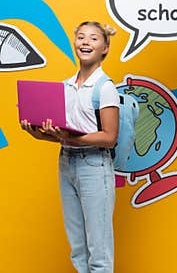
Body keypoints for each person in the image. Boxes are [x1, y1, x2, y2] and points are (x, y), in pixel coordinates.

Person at [21, 21, 120, 273]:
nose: (86, 42)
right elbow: (65, 134)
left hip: (94, 166)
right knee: (78, 249)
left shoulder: (105, 87)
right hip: (67, 162)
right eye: (81, 37)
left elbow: (110, 137)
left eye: (94, 39)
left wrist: (74, 139)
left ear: (105, 48)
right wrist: (40, 134)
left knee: (98, 252)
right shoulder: (65, 87)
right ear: (75, 43)